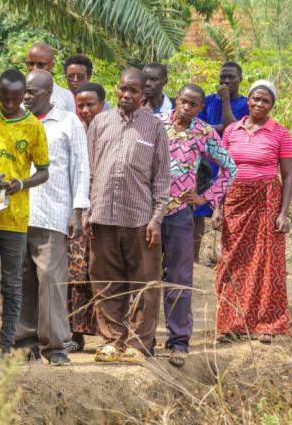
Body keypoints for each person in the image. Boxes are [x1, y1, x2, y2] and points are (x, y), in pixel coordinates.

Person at [84, 68, 169, 365]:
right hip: (103, 214)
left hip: (140, 218)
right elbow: (90, 170)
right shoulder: (99, 122)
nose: (126, 95)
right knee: (105, 281)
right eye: (122, 89)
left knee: (145, 283)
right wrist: (86, 209)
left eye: (133, 90)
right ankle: (111, 340)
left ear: (143, 94)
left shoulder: (155, 128)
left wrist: (157, 218)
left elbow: (161, 179)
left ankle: (138, 343)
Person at [0, 69, 49, 374]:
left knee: (12, 286)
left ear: (24, 96)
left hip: (14, 219)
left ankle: (4, 353)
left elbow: (43, 171)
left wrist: (21, 184)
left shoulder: (33, 127)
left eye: (17, 99)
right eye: (6, 98)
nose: (11, 104)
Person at [158, 84, 236, 366]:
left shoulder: (204, 132)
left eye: (193, 104)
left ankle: (178, 342)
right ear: (175, 100)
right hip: (149, 211)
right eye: (183, 101)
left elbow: (230, 167)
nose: (187, 107)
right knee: (143, 274)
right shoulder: (156, 123)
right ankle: (139, 341)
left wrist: (207, 197)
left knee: (179, 277)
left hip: (180, 212)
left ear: (201, 107)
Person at [16, 71, 89, 366]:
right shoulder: (17, 120)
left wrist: (78, 210)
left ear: (49, 92)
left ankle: (55, 345)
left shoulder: (68, 122)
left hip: (53, 212)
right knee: (21, 280)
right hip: (17, 213)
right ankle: (23, 343)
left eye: (32, 92)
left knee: (50, 280)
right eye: (25, 92)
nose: (26, 97)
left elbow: (81, 167)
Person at [214, 80, 292, 345]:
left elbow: (288, 175)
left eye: (265, 101)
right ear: (248, 100)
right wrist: (217, 206)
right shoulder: (231, 131)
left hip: (266, 201)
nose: (259, 104)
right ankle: (230, 324)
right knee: (231, 260)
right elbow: (224, 171)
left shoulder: (280, 134)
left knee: (266, 262)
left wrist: (283, 213)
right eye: (255, 99)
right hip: (235, 201)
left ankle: (266, 324)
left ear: (272, 106)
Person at [193, 62, 249, 262]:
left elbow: (233, 128)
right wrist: (219, 128)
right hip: (206, 163)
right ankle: (194, 258)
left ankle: (227, 257)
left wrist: (225, 100)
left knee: (229, 210)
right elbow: (197, 127)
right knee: (198, 212)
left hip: (231, 162)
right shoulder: (207, 101)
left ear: (240, 79)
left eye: (231, 77)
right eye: (223, 77)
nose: (226, 81)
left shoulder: (246, 104)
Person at [67, 82, 107, 350]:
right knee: (75, 274)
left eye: (90, 104)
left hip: (104, 213)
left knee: (102, 273)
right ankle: (74, 334)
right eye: (80, 105)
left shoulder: (110, 129)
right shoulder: (72, 129)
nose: (85, 110)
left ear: (102, 105)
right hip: (75, 212)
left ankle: (109, 334)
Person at [25, 42, 75, 112]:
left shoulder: (66, 96)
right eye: (31, 64)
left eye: (41, 64)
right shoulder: (17, 94)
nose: (35, 68)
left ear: (52, 65)